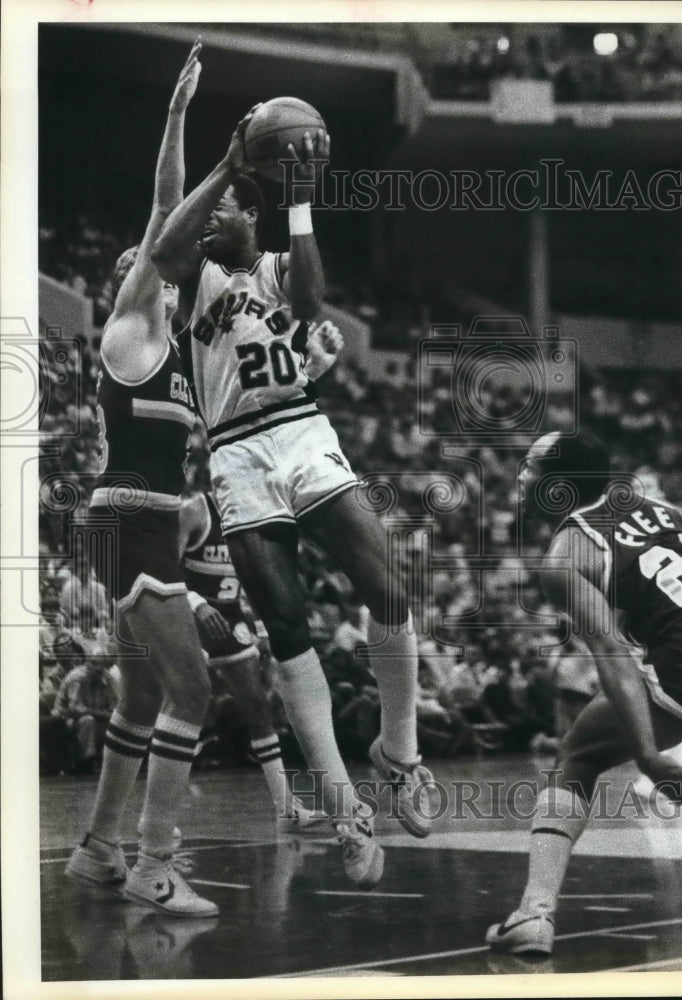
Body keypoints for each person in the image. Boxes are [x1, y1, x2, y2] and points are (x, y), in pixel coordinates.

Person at [150, 107, 433, 887]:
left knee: (389, 585)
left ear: (256, 214)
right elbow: (166, 243)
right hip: (236, 454)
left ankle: (399, 751)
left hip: (303, 432)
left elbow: (311, 301)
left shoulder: (276, 264)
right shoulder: (195, 277)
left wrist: (303, 196)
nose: (212, 222)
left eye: (228, 209)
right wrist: (224, 164)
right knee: (287, 625)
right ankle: (344, 808)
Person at [65, 41, 219, 917]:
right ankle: (156, 864)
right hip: (127, 519)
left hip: (147, 518)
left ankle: (97, 852)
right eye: (141, 256)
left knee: (147, 695)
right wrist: (176, 115)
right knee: (193, 689)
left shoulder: (181, 359)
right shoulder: (130, 326)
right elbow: (168, 212)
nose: (152, 256)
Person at [487, 430, 682, 954]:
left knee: (576, 755)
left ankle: (534, 915)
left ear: (557, 486)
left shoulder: (564, 558)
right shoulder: (657, 506)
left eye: (530, 466)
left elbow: (612, 650)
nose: (520, 476)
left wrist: (647, 754)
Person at [179, 489, 323, 829]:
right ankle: (160, 817)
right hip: (189, 616)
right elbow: (163, 569)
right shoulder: (196, 509)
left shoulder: (255, 519)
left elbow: (258, 583)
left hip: (230, 618)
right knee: (182, 710)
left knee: (258, 708)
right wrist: (198, 604)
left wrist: (263, 630)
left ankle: (287, 810)